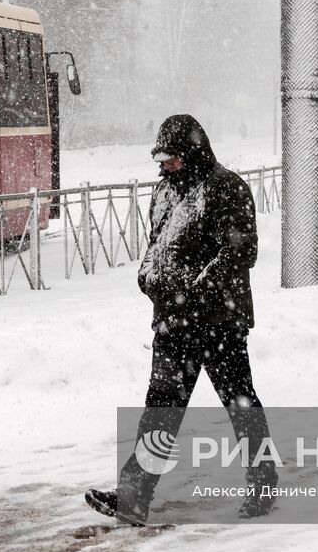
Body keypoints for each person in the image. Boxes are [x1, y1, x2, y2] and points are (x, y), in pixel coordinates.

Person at [86, 114, 275, 525]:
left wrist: (197, 290)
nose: (165, 166)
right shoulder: (165, 192)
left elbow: (242, 252)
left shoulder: (226, 188)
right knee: (161, 410)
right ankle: (134, 496)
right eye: (161, 159)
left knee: (239, 402)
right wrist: (147, 276)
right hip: (173, 322)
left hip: (219, 320)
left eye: (171, 158)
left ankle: (263, 482)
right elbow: (158, 246)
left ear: (191, 151)